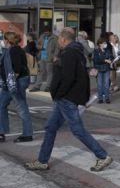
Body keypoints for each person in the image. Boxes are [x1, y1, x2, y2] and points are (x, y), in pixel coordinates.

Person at [25, 29, 113, 172]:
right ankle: (42, 160)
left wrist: (58, 93)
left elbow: (68, 77)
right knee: (50, 127)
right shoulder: (75, 52)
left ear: (64, 40)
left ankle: (102, 156)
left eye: (59, 39)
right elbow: (80, 75)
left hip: (66, 98)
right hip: (66, 98)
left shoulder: (69, 53)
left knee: (77, 130)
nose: (58, 41)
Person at [0, 32, 33, 143]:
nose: (2, 41)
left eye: (3, 39)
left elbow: (17, 69)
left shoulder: (14, 50)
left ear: (7, 40)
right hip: (10, 83)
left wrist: (11, 83)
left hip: (16, 82)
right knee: (1, 104)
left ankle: (27, 134)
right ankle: (1, 132)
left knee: (21, 106)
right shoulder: (11, 50)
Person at [92, 37, 113, 104]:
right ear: (100, 44)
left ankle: (107, 98)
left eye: (105, 43)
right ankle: (100, 98)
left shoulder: (107, 50)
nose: (105, 44)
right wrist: (105, 60)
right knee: (100, 84)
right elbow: (96, 60)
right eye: (104, 43)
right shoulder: (96, 51)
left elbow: (111, 57)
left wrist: (111, 59)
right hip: (99, 69)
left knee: (106, 84)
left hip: (106, 69)